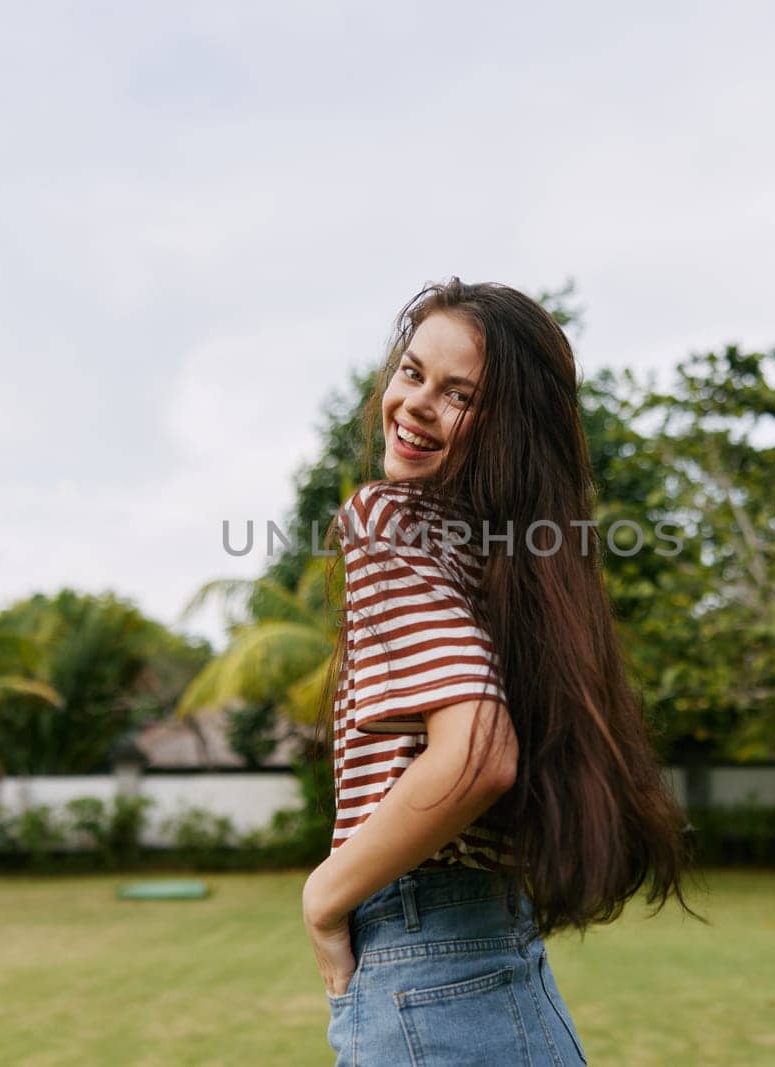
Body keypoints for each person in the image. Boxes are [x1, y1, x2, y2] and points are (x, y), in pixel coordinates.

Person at [302, 277, 704, 1065]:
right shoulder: (514, 563)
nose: (414, 404)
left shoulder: (391, 520)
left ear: (507, 428)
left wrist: (324, 895)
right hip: (505, 964)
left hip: (423, 963)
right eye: (412, 372)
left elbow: (479, 754)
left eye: (459, 394)